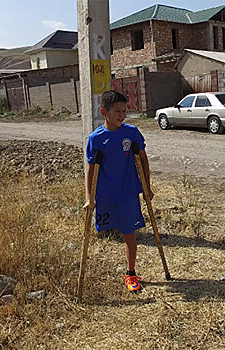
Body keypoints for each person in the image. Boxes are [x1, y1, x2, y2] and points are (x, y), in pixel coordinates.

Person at [84, 90, 153, 293]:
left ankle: (131, 273)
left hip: (127, 193)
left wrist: (147, 187)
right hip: (105, 195)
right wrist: (90, 198)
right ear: (104, 111)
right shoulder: (96, 139)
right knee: (104, 232)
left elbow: (142, 159)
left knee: (129, 235)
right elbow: (91, 169)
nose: (122, 116)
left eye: (125, 111)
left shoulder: (131, 133)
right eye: (117, 111)